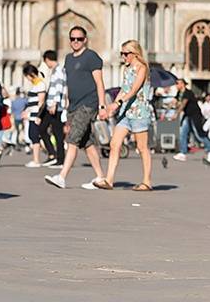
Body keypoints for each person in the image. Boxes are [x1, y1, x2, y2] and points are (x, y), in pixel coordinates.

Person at [45, 26, 109, 190]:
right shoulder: (68, 59)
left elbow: (99, 83)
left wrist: (102, 106)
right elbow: (69, 84)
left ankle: (62, 176)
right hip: (73, 105)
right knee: (86, 142)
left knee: (72, 140)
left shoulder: (91, 57)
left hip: (88, 103)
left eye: (79, 39)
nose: (75, 42)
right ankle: (101, 177)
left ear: (85, 40)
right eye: (72, 39)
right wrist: (66, 105)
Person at [97, 40, 154, 191]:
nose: (123, 57)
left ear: (135, 54)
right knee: (114, 144)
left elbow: (134, 90)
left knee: (142, 147)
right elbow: (124, 89)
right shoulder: (126, 69)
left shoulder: (142, 68)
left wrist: (118, 103)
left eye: (126, 53)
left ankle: (147, 181)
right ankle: (109, 180)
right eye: (121, 53)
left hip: (139, 112)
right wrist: (113, 107)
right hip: (125, 112)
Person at [174, 79, 210, 164]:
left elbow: (183, 104)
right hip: (187, 115)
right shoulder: (179, 94)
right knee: (183, 133)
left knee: (198, 135)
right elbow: (177, 102)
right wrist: (170, 105)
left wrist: (176, 114)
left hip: (195, 115)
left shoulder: (188, 92)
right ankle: (183, 153)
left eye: (177, 84)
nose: (176, 85)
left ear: (182, 84)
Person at [40, 50, 67, 166]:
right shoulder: (55, 70)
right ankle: (53, 154)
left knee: (58, 133)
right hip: (50, 105)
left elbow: (59, 87)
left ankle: (60, 159)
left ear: (47, 60)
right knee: (42, 128)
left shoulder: (59, 70)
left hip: (55, 106)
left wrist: (54, 103)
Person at [22, 64, 47, 168]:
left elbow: (41, 101)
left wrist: (38, 116)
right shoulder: (35, 85)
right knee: (33, 136)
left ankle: (36, 160)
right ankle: (38, 158)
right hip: (31, 114)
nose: (27, 79)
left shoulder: (40, 84)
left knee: (34, 136)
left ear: (31, 74)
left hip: (36, 115)